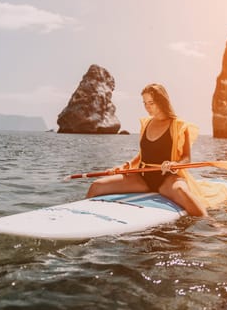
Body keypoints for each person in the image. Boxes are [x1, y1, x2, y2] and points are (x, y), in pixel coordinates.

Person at [86, 83, 208, 216]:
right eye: (144, 103)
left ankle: (212, 225)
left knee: (183, 193)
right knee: (96, 185)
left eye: (151, 103)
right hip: (142, 178)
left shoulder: (179, 126)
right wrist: (124, 166)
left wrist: (175, 165)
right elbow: (142, 155)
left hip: (168, 179)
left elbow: (186, 158)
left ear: (162, 101)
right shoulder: (146, 124)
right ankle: (83, 218)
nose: (147, 107)